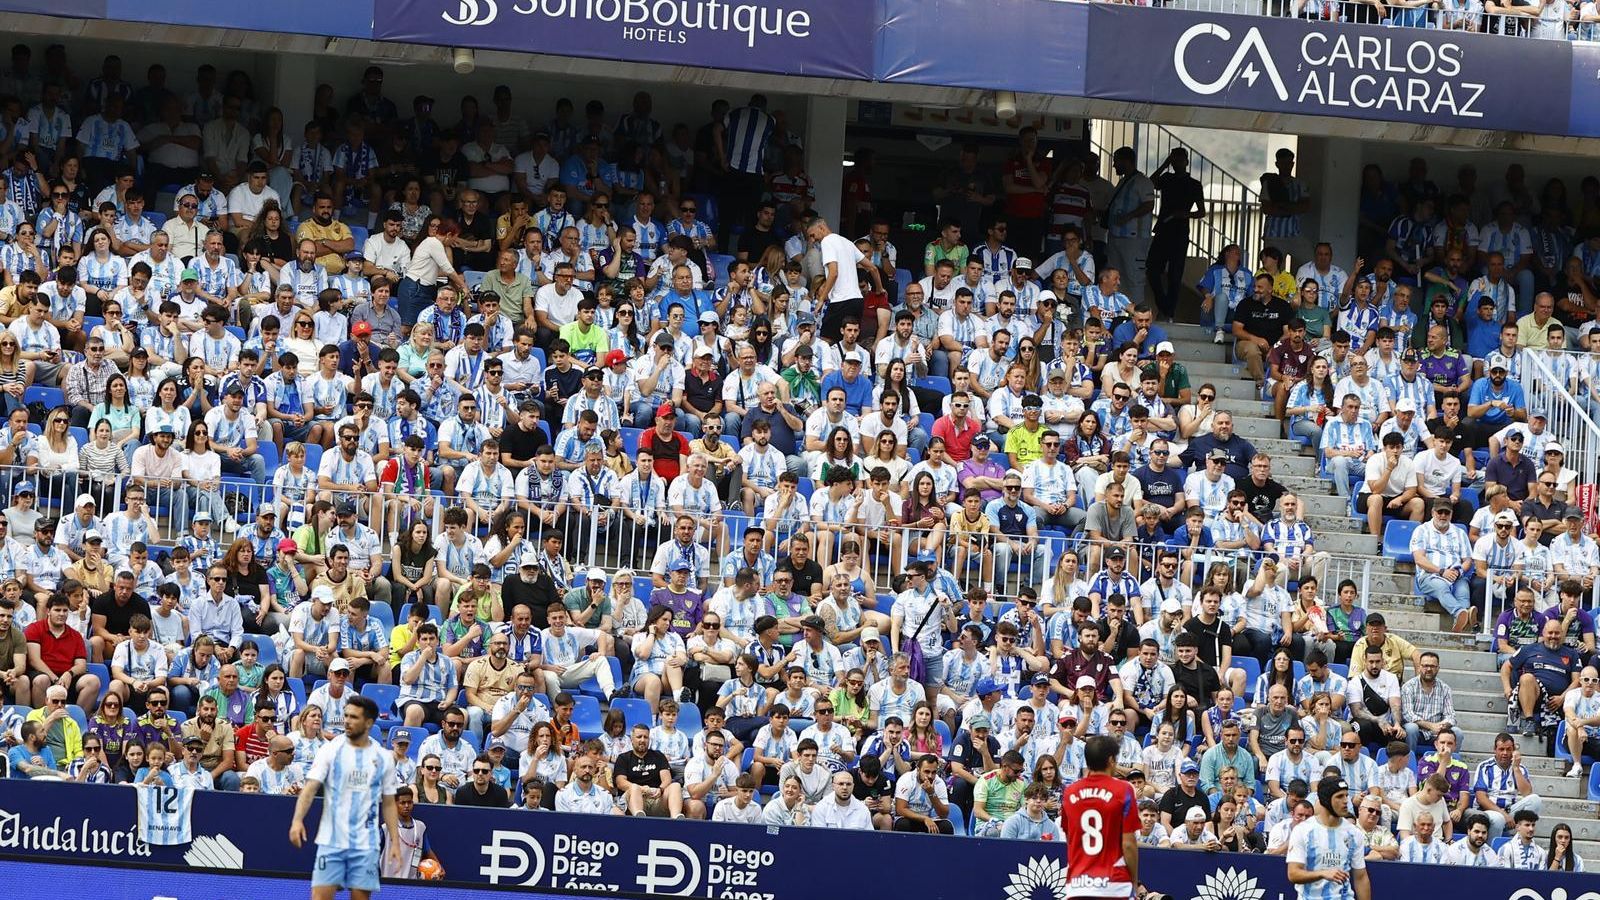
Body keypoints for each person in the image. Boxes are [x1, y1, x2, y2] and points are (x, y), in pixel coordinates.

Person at [288, 695, 402, 900]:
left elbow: (389, 803)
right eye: (346, 715)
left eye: (354, 717)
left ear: (368, 722)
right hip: (331, 839)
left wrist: (395, 841)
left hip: (366, 843)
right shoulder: (331, 750)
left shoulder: (383, 758)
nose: (347, 721)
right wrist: (297, 820)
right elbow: (310, 787)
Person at [1062, 734, 1142, 897]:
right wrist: (1134, 880)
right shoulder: (1124, 790)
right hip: (1114, 884)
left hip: (1078, 884)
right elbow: (1128, 844)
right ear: (1111, 760)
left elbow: (1070, 838)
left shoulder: (1070, 792)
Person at [1286, 776, 1372, 900]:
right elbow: (1293, 874)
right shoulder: (1303, 831)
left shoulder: (1354, 833)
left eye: (1346, 796)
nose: (1345, 801)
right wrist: (1322, 873)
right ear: (1326, 800)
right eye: (1339, 796)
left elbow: (1361, 877)